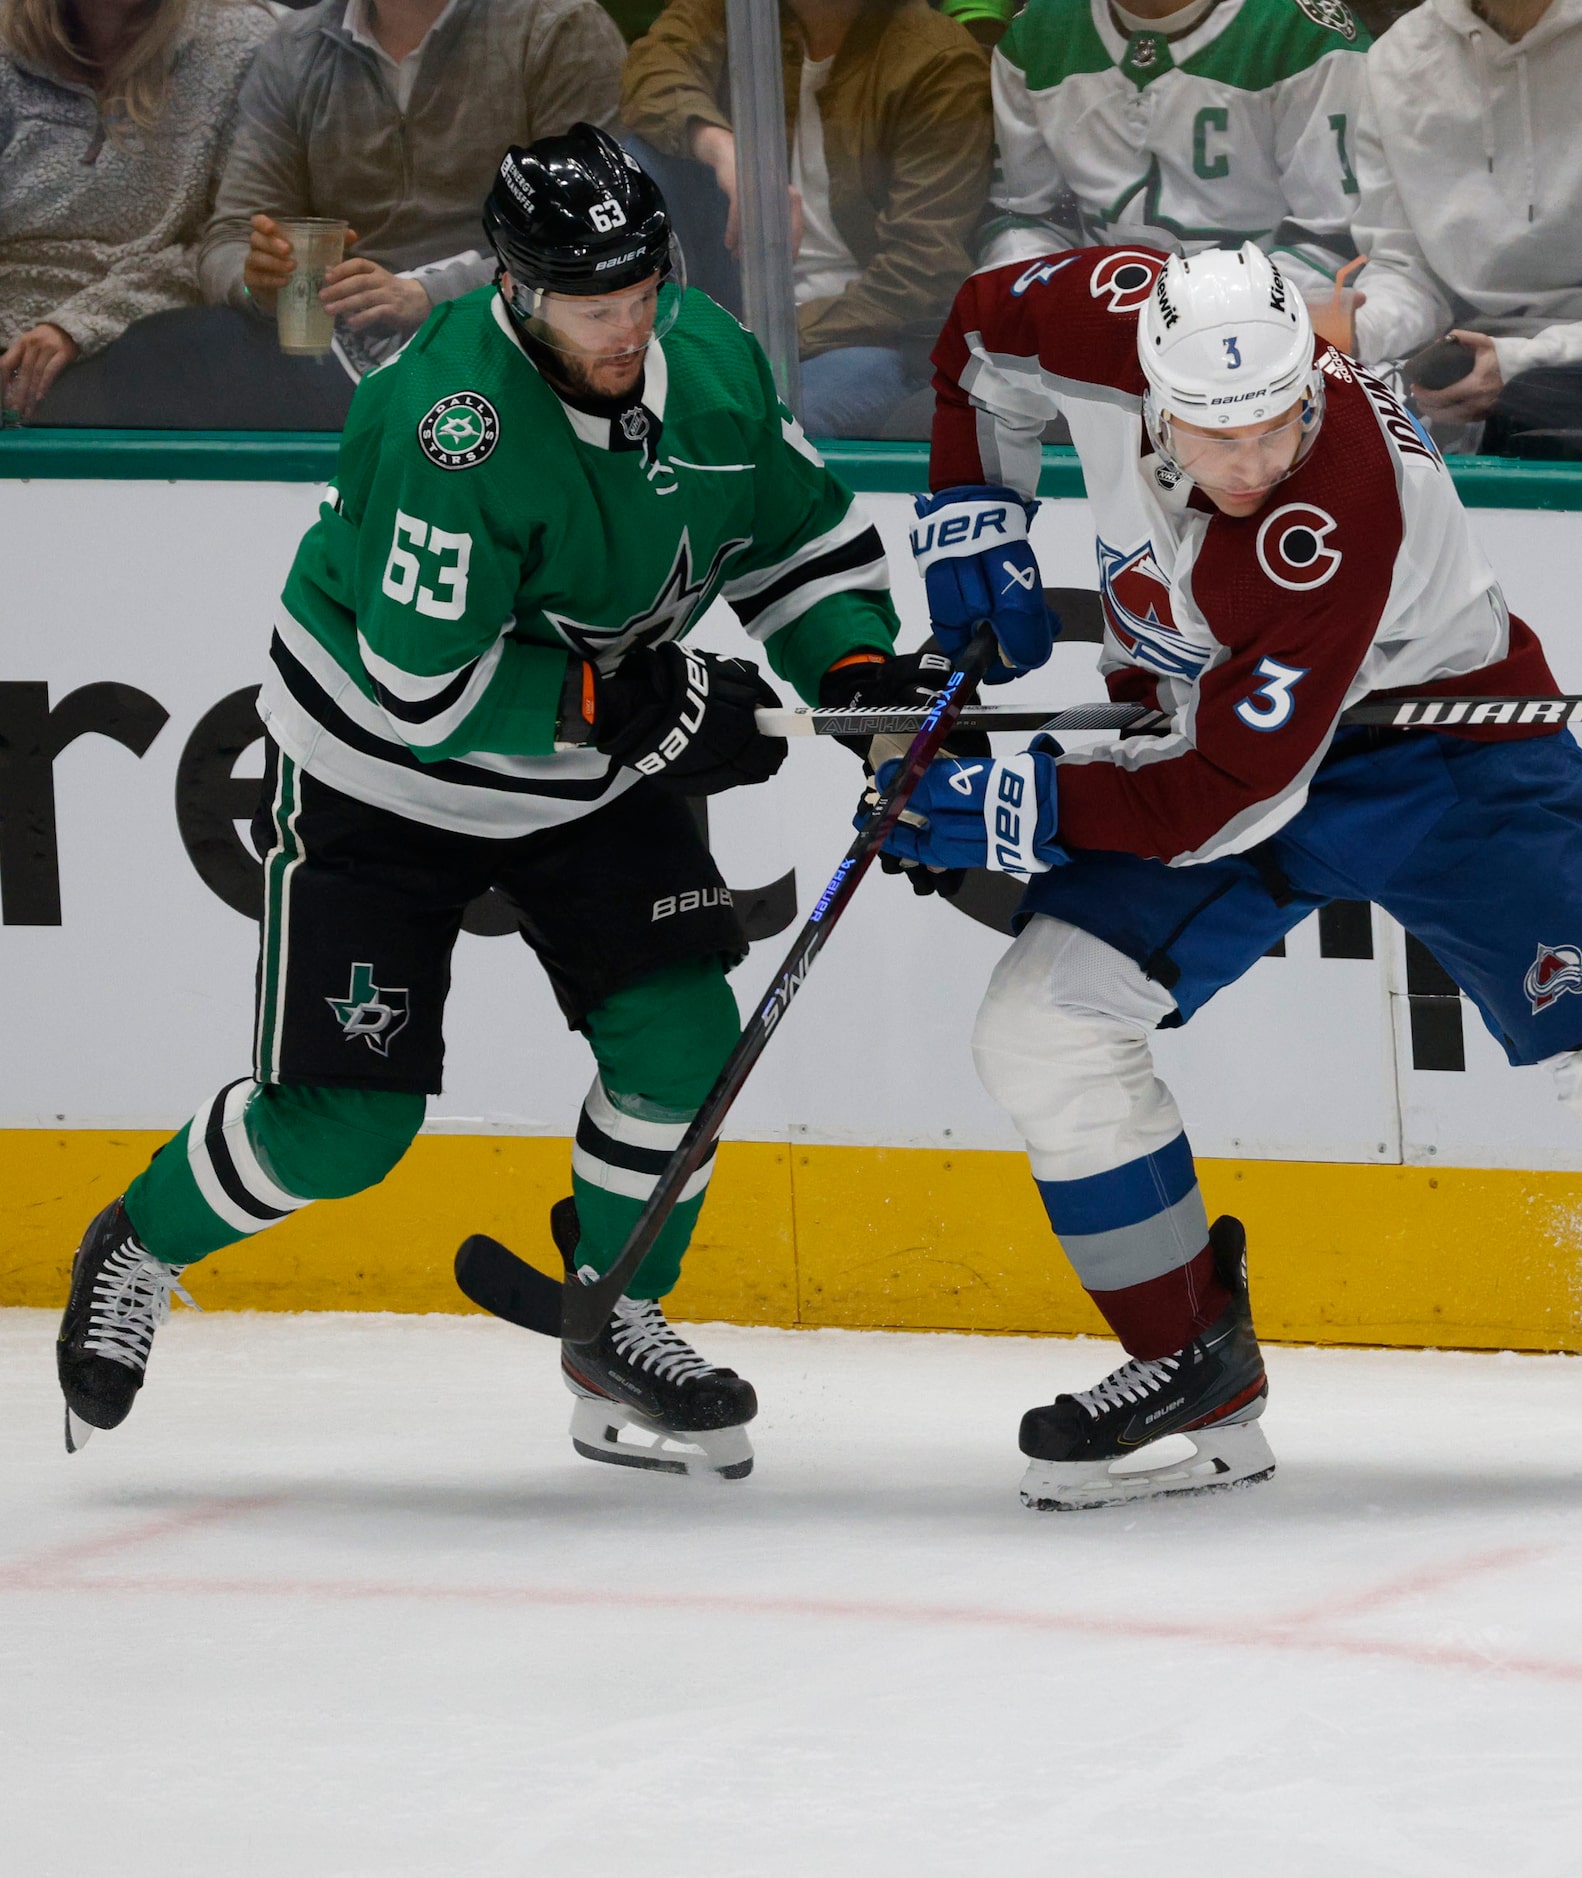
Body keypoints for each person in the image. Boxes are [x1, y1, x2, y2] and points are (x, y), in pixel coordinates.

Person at [883, 242, 1582, 1508]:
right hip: (1215, 730)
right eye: (1213, 434)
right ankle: (1191, 1365)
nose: (1249, 463)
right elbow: (976, 336)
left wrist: (1014, 807)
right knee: (1043, 1024)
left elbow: (1210, 806)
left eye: (1275, 422)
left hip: (1443, 764)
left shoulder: (1328, 509)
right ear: (1149, 384)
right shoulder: (1101, 311)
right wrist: (972, 502)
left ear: (1311, 372)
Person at [53, 126, 933, 1479]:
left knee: (683, 1040)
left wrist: (859, 669)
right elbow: (419, 693)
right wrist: (642, 709)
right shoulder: (446, 424)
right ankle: (141, 1240)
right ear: (516, 291)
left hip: (587, 773)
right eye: (597, 305)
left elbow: (791, 536)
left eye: (645, 289)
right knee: (341, 1129)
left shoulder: (701, 354)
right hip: (380, 774)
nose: (631, 324)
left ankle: (614, 1313)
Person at [1343, 0, 1582, 458]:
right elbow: (1405, 267)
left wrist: (1518, 363)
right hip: (1446, 369)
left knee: (1534, 411)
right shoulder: (1396, 58)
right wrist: (1358, 331)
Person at [197, 0, 624, 383]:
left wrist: (430, 295)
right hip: (338, 341)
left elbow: (594, 237)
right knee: (160, 349)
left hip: (508, 332)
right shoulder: (296, 47)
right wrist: (258, 287)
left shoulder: (557, 28)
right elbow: (232, 234)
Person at [620, 0, 992, 438]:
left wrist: (753, 338)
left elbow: (920, 276)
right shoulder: (733, 11)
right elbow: (650, 73)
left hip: (865, 337)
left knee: (771, 425)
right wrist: (725, 150)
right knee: (638, 162)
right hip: (736, 297)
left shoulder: (936, 59)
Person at [977, 0, 1370, 301]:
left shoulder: (1304, 33)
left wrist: (1204, 320)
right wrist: (1056, 310)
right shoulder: (1037, 30)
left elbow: (1336, 243)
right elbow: (1025, 216)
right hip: (1093, 326)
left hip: (1268, 340)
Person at [0, 0, 272, 423]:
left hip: (143, 330)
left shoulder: (238, 46)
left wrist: (82, 325)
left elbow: (225, 245)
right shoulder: (7, 46)